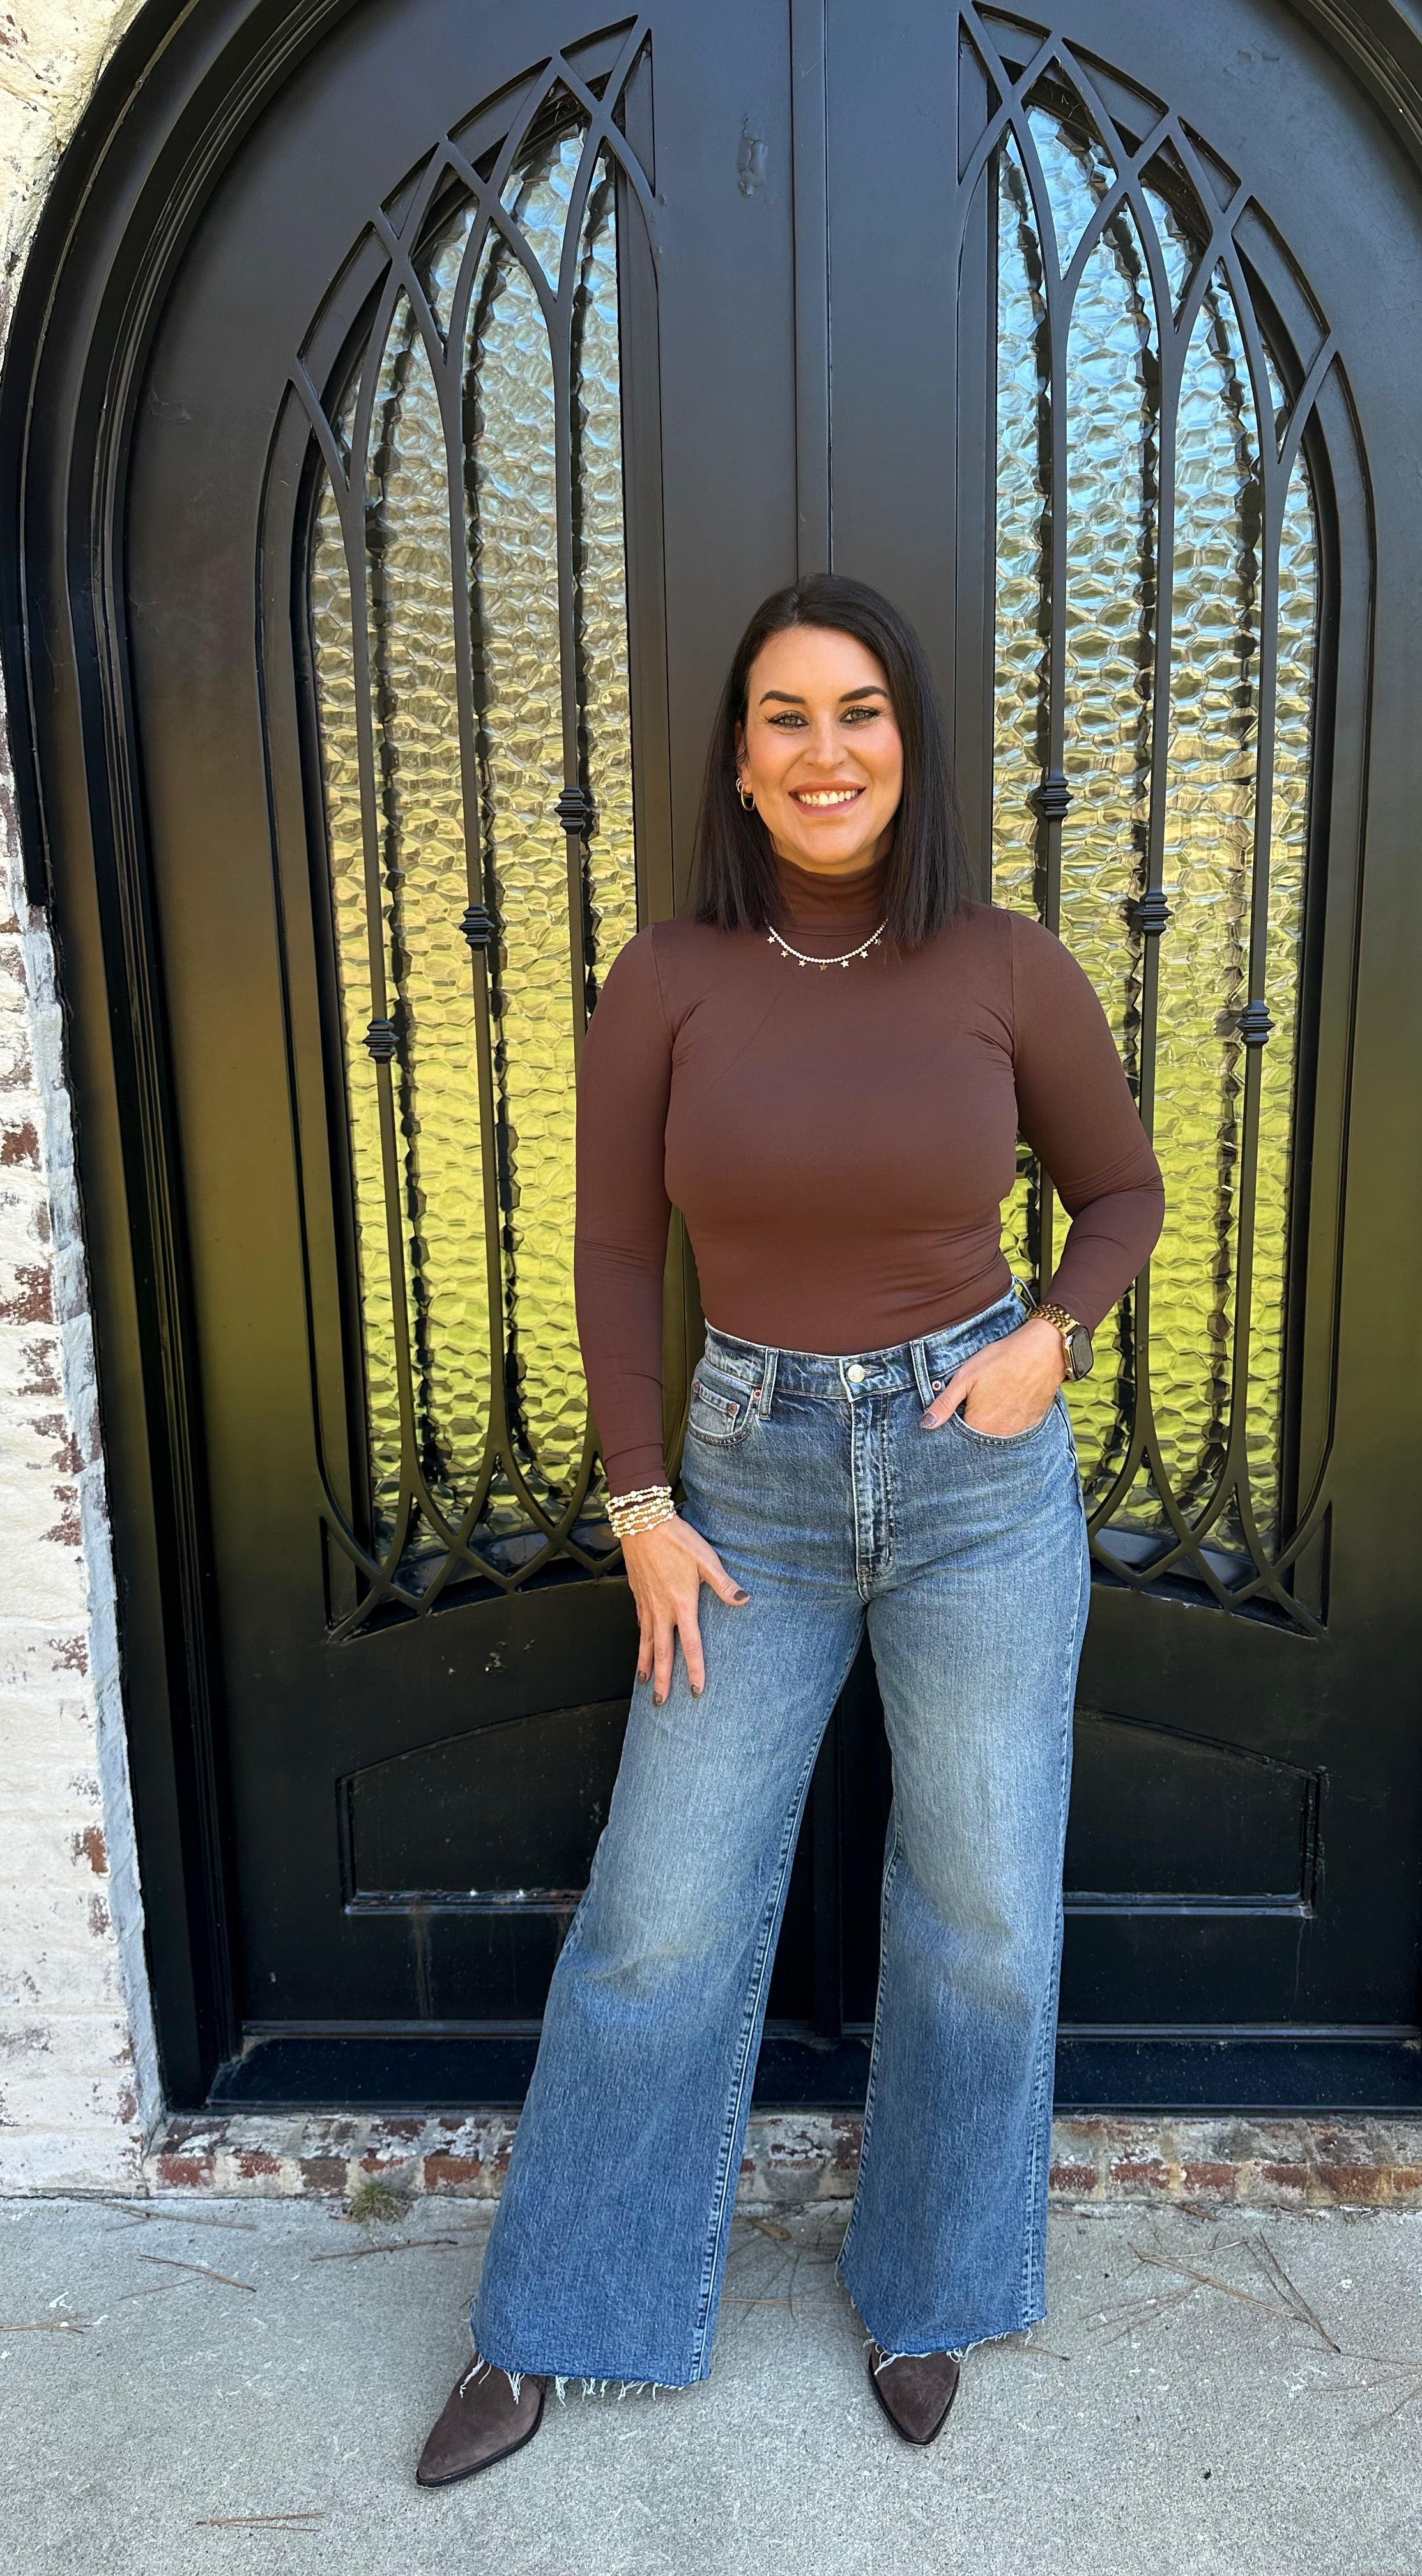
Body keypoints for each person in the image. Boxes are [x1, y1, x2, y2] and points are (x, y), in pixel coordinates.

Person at [415, 574, 1163, 2483]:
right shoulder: (669, 978)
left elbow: (1123, 1194)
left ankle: (930, 2288)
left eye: (859, 713)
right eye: (785, 717)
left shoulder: (1005, 965)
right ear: (740, 765)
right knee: (659, 1918)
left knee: (984, 1920)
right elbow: (612, 1250)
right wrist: (639, 1507)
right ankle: (557, 2316)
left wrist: (1051, 1343)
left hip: (977, 1478)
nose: (825, 752)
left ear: (908, 747)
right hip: (744, 1485)